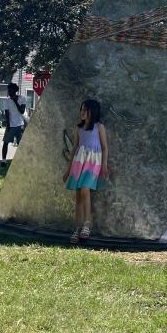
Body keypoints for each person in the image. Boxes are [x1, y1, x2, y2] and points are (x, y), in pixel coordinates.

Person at [63, 99, 109, 243]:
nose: (82, 113)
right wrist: (68, 170)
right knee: (78, 194)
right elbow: (74, 148)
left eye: (85, 110)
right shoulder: (79, 129)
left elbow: (104, 147)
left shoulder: (99, 127)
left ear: (92, 111)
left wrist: (104, 166)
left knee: (85, 189)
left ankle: (87, 225)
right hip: (79, 161)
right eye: (81, 109)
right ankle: (77, 227)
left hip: (93, 162)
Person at [0, 82, 26, 164]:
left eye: (10, 90)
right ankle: (3, 161)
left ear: (15, 91)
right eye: (8, 90)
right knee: (5, 143)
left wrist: (15, 101)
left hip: (20, 125)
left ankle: (21, 160)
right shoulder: (6, 101)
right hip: (11, 125)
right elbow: (7, 114)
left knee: (20, 144)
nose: (9, 92)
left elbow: (22, 111)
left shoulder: (22, 98)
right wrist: (7, 126)